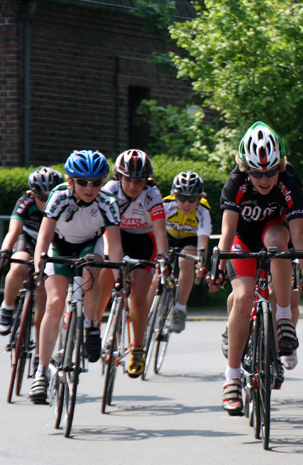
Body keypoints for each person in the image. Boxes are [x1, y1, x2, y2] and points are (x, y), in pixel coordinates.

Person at [208, 121, 303, 416]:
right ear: (245, 168)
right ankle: (231, 379)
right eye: (256, 172)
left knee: (279, 240)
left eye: (270, 172)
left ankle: (282, 319)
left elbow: (299, 234)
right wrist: (216, 267)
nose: (264, 179)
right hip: (242, 240)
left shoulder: (289, 179)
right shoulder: (235, 183)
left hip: (273, 235)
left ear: (280, 166)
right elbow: (227, 233)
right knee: (243, 298)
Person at [28, 150, 123, 403]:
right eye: (83, 182)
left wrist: (119, 276)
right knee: (55, 303)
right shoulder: (58, 196)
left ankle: (91, 325)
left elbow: (114, 245)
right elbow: (45, 237)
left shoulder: (108, 202)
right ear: (71, 181)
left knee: (93, 270)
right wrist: (39, 263)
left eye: (96, 182)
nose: (90, 188)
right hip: (58, 246)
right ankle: (40, 373)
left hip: (90, 247)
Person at [96, 149, 169, 378]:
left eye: (139, 181)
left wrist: (164, 258)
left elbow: (160, 233)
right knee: (106, 280)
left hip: (144, 241)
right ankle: (92, 326)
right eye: (128, 180)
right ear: (119, 177)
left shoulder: (152, 195)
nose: (133, 186)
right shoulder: (110, 191)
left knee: (137, 296)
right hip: (117, 235)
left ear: (146, 181)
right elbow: (108, 233)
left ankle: (137, 348)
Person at [0, 168, 59, 356]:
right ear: (32, 193)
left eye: (50, 197)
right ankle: (7, 307)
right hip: (28, 240)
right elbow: (13, 230)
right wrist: (4, 251)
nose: (46, 203)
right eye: (41, 197)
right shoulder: (26, 201)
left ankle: (40, 353)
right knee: (19, 265)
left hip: (49, 245)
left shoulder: (63, 202)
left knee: (43, 297)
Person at [161, 171, 212, 333]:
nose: (186, 204)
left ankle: (180, 310)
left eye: (192, 199)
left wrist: (201, 263)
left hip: (190, 241)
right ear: (174, 196)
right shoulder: (166, 205)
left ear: (199, 198)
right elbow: (155, 233)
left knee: (186, 260)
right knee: (158, 266)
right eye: (182, 198)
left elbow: (203, 242)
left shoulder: (203, 210)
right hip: (167, 238)